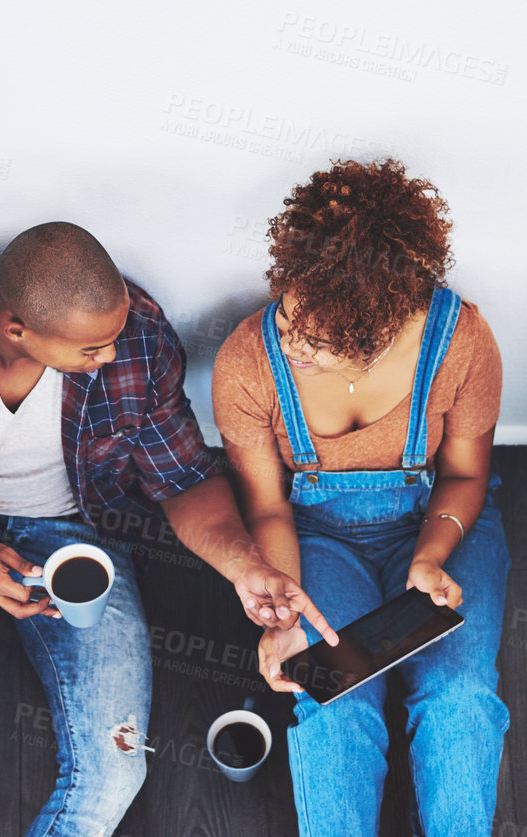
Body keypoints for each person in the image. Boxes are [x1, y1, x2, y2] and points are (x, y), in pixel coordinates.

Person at [0, 221, 333, 837]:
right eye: (91, 351)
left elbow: (183, 479)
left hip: (78, 536)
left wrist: (245, 565)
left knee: (114, 770)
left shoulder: (138, 339)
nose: (111, 355)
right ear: (15, 330)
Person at [211, 159, 510, 837]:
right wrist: (281, 611)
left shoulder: (461, 343)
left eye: (316, 340)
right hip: (315, 536)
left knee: (460, 699)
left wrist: (432, 557)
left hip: (438, 523)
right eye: (289, 310)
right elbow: (266, 507)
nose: (291, 341)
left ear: (380, 334)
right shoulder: (246, 362)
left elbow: (465, 477)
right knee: (333, 702)